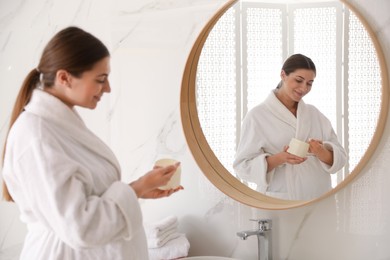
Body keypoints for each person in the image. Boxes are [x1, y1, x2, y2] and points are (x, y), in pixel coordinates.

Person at [1, 26, 183, 260]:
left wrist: (139, 189)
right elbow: (80, 226)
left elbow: (84, 197)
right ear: (64, 78)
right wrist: (135, 189)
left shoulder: (58, 127)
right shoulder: (36, 135)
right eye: (101, 79)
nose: (108, 89)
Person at [233, 54, 346, 201]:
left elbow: (340, 159)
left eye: (309, 83)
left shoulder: (315, 114)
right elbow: (242, 167)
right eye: (299, 80)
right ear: (283, 75)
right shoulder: (257, 116)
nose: (304, 88)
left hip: (319, 198)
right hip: (281, 199)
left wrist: (320, 151)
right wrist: (279, 159)